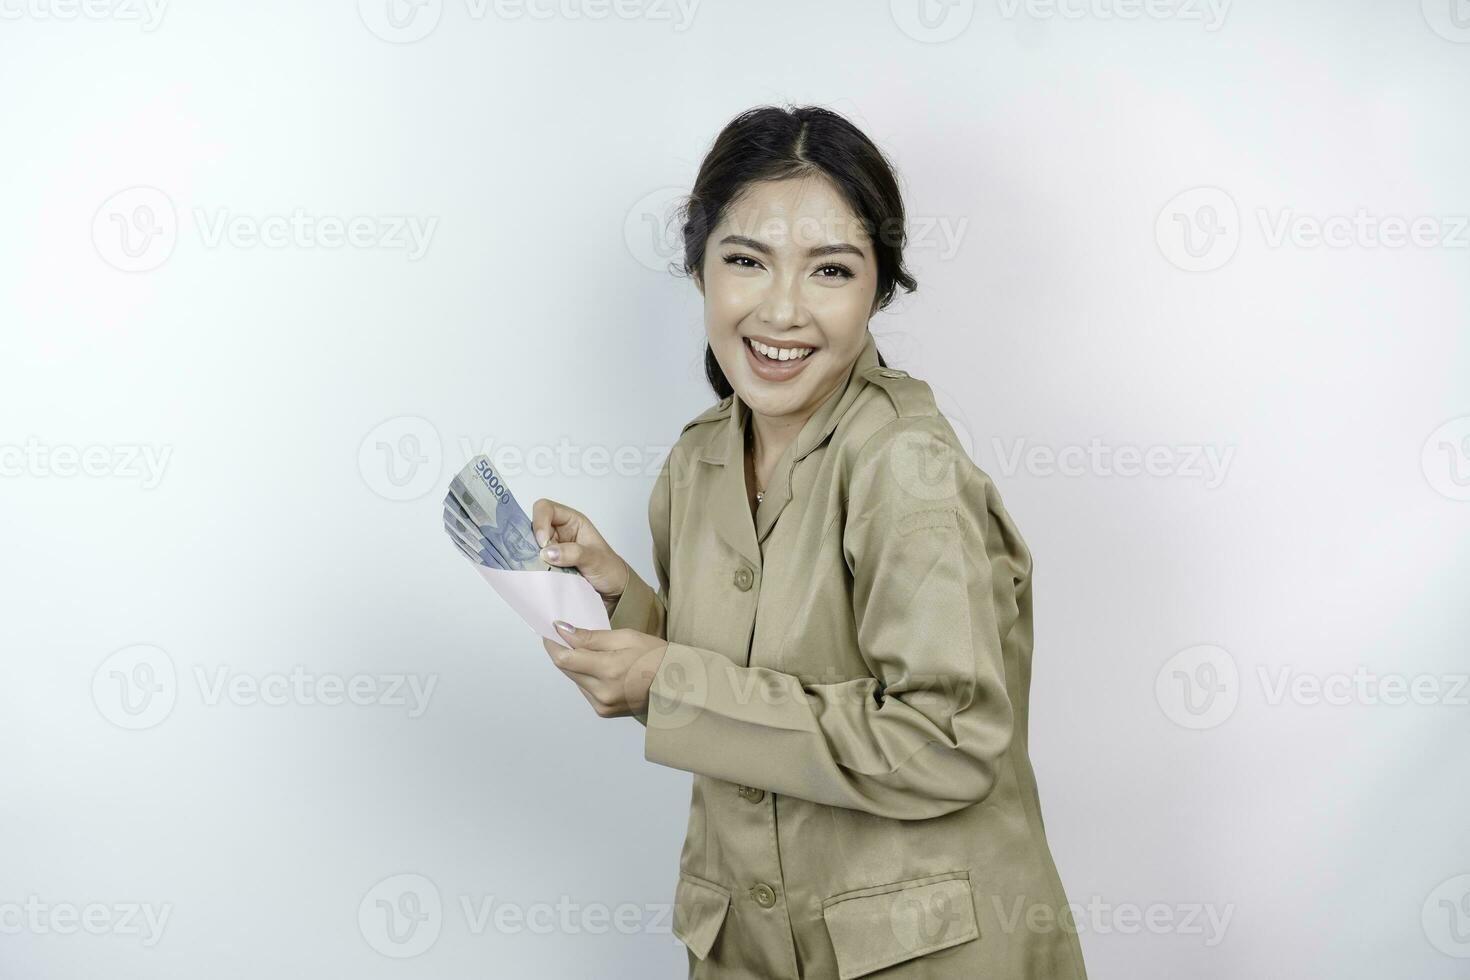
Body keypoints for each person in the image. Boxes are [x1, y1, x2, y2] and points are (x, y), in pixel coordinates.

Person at [531, 105, 1089, 980]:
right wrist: (622, 602)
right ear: (700, 269)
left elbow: (946, 739)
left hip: (927, 956)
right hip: (751, 947)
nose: (782, 310)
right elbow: (753, 675)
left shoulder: (906, 466)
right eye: (746, 261)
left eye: (830, 269)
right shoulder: (698, 460)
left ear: (879, 289)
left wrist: (665, 681)